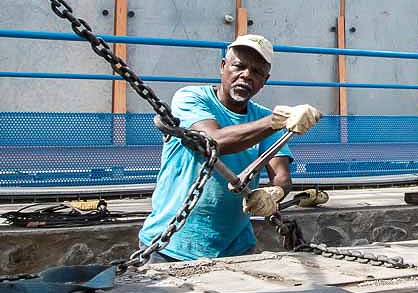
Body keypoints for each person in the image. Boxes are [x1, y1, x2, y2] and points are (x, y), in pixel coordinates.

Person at [137, 34, 324, 262]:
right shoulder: (191, 98)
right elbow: (213, 142)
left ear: (265, 80)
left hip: (236, 248)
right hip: (171, 245)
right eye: (239, 66)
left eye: (256, 72)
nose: (246, 75)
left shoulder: (262, 118)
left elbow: (281, 175)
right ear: (223, 67)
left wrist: (274, 193)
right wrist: (276, 121)